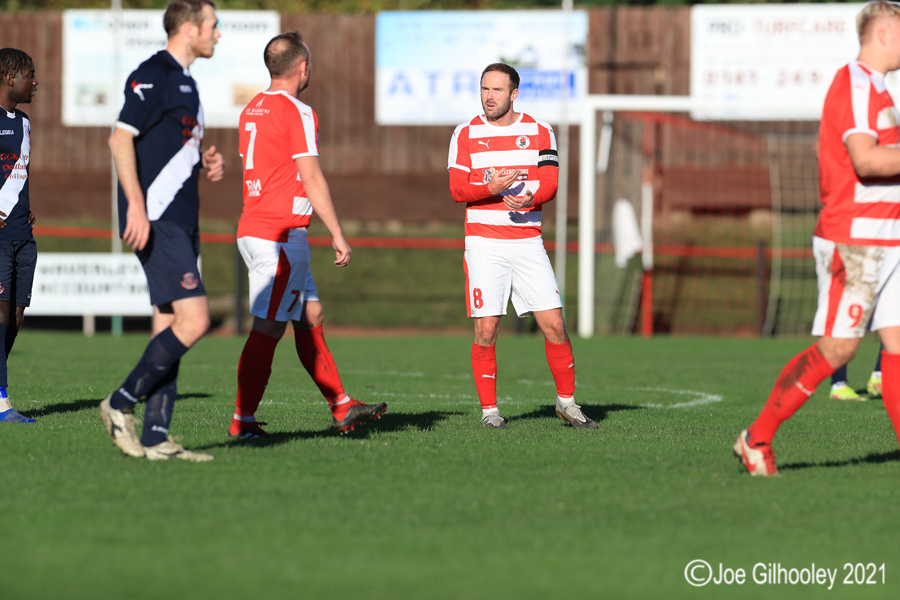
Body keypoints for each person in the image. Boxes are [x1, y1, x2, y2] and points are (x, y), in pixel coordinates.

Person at [735, 0, 900, 476]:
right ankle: (757, 437)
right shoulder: (855, 82)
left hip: (886, 238)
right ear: (884, 33)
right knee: (839, 350)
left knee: (896, 345)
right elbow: (866, 161)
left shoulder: (880, 90)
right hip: (856, 240)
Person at [229, 32, 386, 438]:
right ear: (302, 68)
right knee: (267, 328)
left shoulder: (252, 109)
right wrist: (337, 232)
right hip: (279, 236)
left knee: (309, 315)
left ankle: (342, 406)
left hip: (259, 228)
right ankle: (242, 422)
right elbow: (310, 176)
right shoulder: (297, 110)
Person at [99, 0, 225, 461]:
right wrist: (134, 205)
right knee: (196, 320)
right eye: (214, 26)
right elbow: (120, 137)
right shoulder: (154, 73)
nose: (218, 34)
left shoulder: (188, 83)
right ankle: (120, 403)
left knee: (169, 324)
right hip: (158, 219)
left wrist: (207, 158)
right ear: (190, 29)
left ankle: (155, 437)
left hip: (181, 220)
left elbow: (172, 147)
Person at [447, 63, 596, 430]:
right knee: (486, 330)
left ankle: (566, 404)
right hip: (484, 244)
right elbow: (457, 189)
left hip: (529, 243)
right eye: (484, 89)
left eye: (497, 90)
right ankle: (490, 413)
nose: (489, 97)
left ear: (514, 94)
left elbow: (550, 182)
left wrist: (530, 198)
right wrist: (491, 188)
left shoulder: (540, 131)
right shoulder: (465, 133)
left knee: (556, 325)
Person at [0, 48, 38, 424]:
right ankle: (1, 404)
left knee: (14, 318)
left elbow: (18, 173)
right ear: (10, 77)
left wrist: (22, 208)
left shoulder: (25, 122)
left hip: (23, 233)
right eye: (30, 74)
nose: (35, 81)